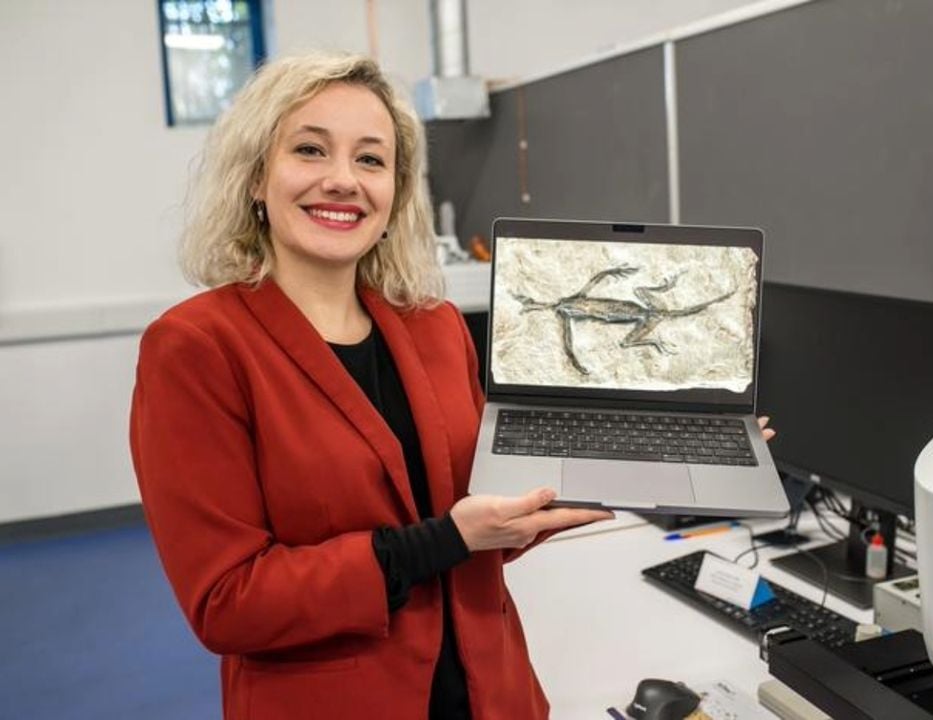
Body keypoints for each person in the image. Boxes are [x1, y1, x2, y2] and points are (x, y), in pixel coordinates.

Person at [129, 52, 614, 720]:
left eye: (370, 159)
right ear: (254, 178)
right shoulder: (197, 349)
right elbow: (227, 602)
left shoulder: (436, 326)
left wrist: (640, 463)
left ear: (395, 191)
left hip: (492, 694)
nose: (341, 181)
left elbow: (480, 519)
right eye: (309, 150)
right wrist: (442, 540)